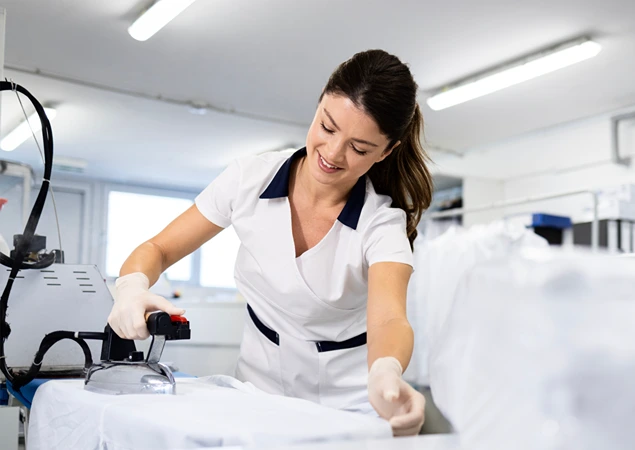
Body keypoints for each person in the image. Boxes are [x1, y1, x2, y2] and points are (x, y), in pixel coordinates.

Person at [107, 49, 433, 436]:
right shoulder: (249, 179)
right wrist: (130, 288)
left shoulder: (381, 223)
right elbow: (159, 249)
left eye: (359, 148)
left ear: (387, 151)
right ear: (317, 108)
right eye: (327, 128)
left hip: (352, 399)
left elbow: (389, 318)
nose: (332, 154)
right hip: (257, 386)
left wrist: (385, 371)